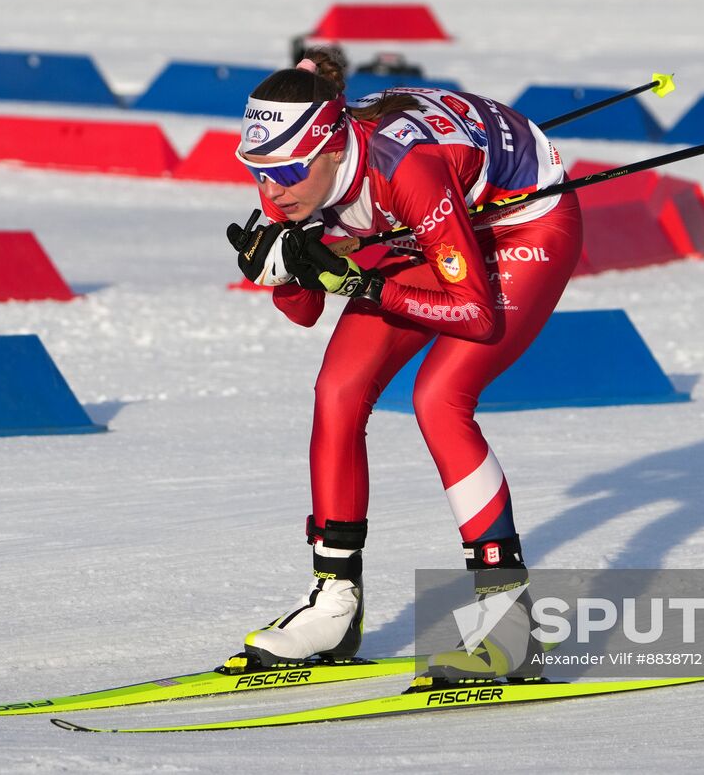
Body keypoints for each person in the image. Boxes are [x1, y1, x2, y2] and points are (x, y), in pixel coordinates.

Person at [225, 47, 583, 680]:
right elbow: (305, 309)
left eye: (284, 171)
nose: (272, 189)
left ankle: (510, 621)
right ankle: (334, 605)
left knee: (439, 397)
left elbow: (476, 315)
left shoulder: (406, 168)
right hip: (429, 230)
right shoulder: (294, 178)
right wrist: (283, 268)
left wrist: (360, 284)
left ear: (333, 148)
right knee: (338, 389)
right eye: (259, 172)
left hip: (525, 223)